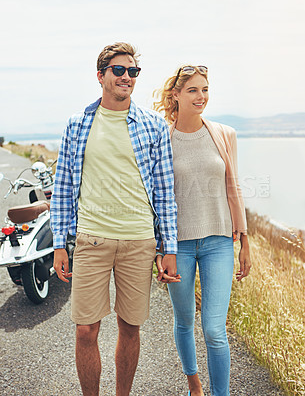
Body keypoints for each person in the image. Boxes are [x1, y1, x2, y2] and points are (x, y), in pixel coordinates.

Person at [50, 42, 179, 396]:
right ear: (101, 76)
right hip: (91, 239)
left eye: (133, 71)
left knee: (130, 328)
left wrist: (168, 248)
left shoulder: (153, 126)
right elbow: (62, 188)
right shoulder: (78, 125)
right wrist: (59, 242)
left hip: (139, 241)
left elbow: (166, 192)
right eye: (119, 70)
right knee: (85, 330)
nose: (127, 77)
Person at [154, 65, 251, 396]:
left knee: (214, 330)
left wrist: (245, 241)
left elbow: (234, 187)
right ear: (176, 95)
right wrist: (159, 250)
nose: (201, 96)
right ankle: (194, 384)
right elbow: (156, 198)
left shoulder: (224, 134)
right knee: (184, 321)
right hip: (177, 246)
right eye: (193, 90)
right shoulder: (161, 141)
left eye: (205, 89)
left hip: (219, 242)